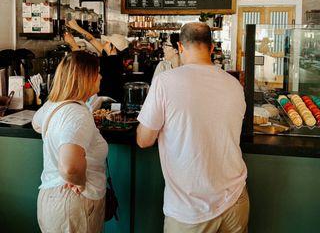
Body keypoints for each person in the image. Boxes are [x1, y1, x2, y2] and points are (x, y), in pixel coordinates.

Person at [136, 22, 249, 233]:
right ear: (212, 47)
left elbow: (144, 140)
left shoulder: (165, 82)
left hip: (190, 211)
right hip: (235, 199)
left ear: (180, 46)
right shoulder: (233, 84)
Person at [32, 51, 107, 233]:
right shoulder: (77, 114)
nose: (100, 76)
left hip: (52, 198)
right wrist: (79, 183)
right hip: (73, 201)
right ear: (85, 77)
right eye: (97, 72)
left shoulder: (54, 104)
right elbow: (70, 167)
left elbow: (36, 124)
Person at [64, 19, 129, 102]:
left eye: (106, 42)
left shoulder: (110, 63)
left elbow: (81, 61)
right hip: (108, 99)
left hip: (108, 102)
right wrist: (76, 27)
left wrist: (72, 42)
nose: (104, 43)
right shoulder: (113, 57)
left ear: (112, 48)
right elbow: (92, 39)